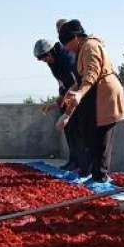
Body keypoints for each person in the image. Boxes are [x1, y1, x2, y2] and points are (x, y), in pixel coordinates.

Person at [60, 19, 124, 183]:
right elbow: (81, 79)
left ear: (75, 38)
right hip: (93, 94)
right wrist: (71, 92)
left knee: (100, 137)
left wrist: (80, 93)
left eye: (67, 43)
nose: (67, 48)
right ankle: (93, 172)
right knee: (89, 132)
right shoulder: (82, 49)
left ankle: (100, 176)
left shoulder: (90, 46)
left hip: (104, 94)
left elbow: (91, 73)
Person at [33, 39, 83, 171]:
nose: (45, 61)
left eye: (45, 57)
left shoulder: (67, 58)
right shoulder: (52, 62)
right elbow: (61, 84)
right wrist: (57, 103)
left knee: (77, 131)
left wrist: (64, 102)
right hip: (66, 95)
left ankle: (81, 163)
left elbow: (76, 83)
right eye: (42, 59)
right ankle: (73, 160)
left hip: (76, 97)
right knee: (69, 131)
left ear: (51, 51)